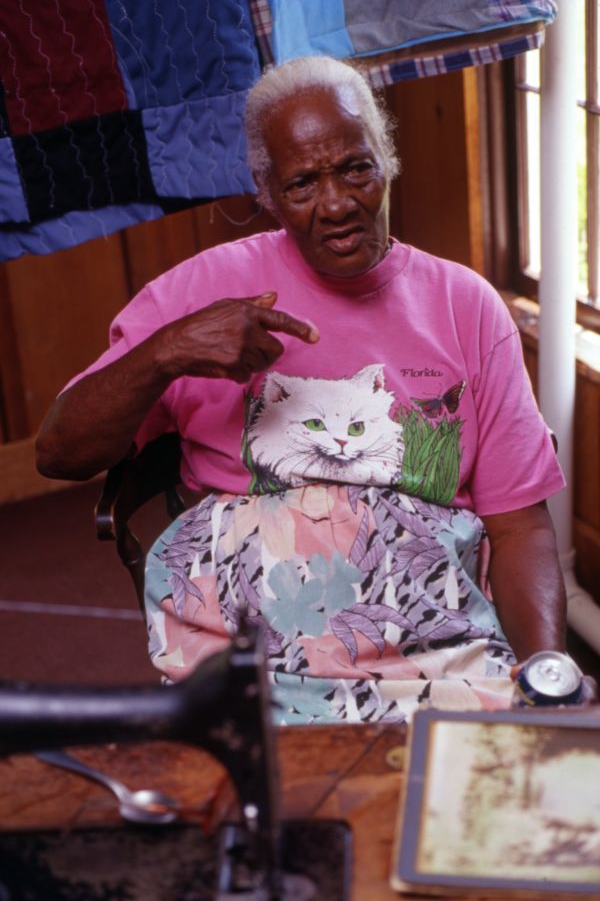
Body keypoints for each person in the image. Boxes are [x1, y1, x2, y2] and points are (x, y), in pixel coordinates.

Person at [36, 56, 579, 724]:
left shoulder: (466, 304)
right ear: (265, 191)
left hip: (436, 637)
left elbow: (520, 525)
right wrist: (166, 352)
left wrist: (544, 681)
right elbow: (59, 452)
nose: (337, 204)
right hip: (257, 642)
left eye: (356, 167)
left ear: (386, 158)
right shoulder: (200, 290)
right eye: (302, 183)